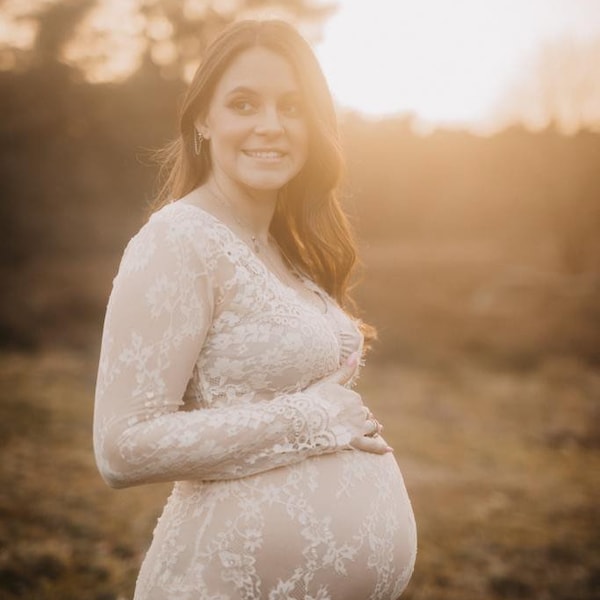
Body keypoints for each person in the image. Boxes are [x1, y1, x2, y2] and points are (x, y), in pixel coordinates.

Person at [94, 19, 416, 600]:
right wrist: (315, 418)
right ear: (203, 119)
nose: (271, 126)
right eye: (244, 103)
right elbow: (122, 447)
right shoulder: (178, 241)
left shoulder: (286, 246)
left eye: (292, 107)